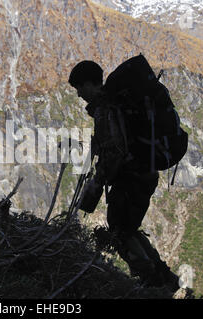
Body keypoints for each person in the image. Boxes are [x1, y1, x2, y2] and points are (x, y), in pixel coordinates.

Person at [68, 60, 180, 291]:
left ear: (90, 84)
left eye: (80, 87)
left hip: (130, 177)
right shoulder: (117, 104)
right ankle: (165, 281)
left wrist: (97, 184)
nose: (79, 95)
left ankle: (152, 285)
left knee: (120, 233)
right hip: (143, 172)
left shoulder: (106, 108)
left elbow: (113, 152)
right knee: (127, 229)